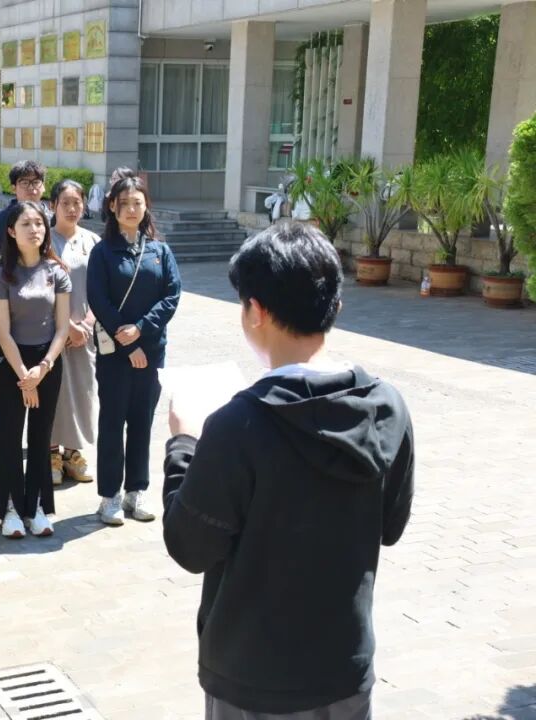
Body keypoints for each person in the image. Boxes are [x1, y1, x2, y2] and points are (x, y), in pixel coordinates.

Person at [162, 222, 414, 720]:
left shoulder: (238, 424)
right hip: (342, 667)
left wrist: (184, 445)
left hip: (252, 676)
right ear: (335, 305)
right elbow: (390, 526)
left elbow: (190, 546)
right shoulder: (387, 407)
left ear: (255, 311)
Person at [87, 176, 181, 526]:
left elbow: (171, 296)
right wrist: (127, 342)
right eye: (124, 203)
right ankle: (109, 495)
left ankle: (136, 490)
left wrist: (140, 330)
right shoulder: (102, 252)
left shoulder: (160, 251)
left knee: (142, 422)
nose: (131, 209)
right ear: (112, 206)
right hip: (114, 354)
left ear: (146, 207)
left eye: (137, 203)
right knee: (112, 422)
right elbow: (98, 300)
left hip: (151, 352)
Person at [0, 202, 70, 539]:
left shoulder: (57, 271)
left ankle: (36, 506)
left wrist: (43, 368)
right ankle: (10, 507)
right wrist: (25, 375)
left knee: (41, 437)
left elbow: (62, 328)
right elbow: (3, 332)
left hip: (47, 362)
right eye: (26, 224)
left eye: (39, 223)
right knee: (10, 437)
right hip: (13, 362)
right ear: (11, 231)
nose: (34, 229)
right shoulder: (1, 273)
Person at [48, 180, 100, 485]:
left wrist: (86, 325)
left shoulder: (93, 242)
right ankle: (51, 453)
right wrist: (66, 326)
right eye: (65, 203)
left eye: (77, 202)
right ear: (53, 205)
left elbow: (101, 289)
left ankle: (73, 454)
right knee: (54, 393)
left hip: (85, 335)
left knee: (83, 392)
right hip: (51, 332)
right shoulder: (44, 241)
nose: (71, 208)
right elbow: (40, 288)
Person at [0, 160, 47, 252]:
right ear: (13, 188)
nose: (31, 188)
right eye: (25, 183)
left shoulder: (52, 219)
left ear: (43, 186)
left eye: (36, 182)